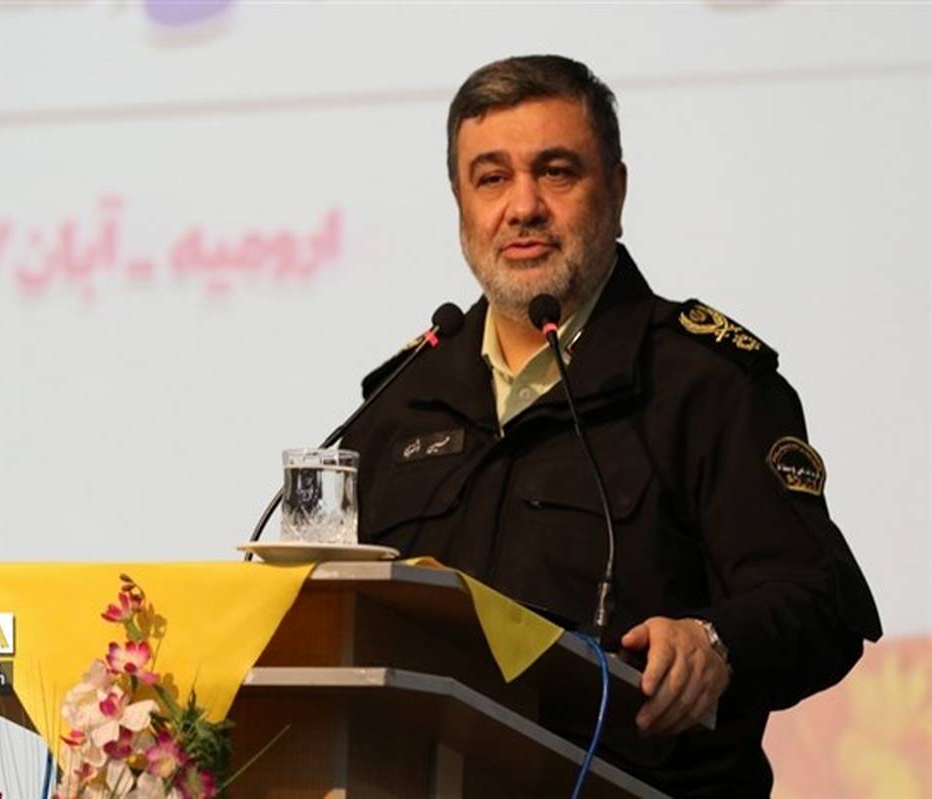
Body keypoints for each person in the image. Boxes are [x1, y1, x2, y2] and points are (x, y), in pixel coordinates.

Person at [339, 55, 881, 797]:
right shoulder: (400, 401)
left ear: (617, 192)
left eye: (556, 172)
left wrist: (714, 642)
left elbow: (820, 601)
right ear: (460, 203)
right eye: (491, 178)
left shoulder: (706, 385)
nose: (523, 207)